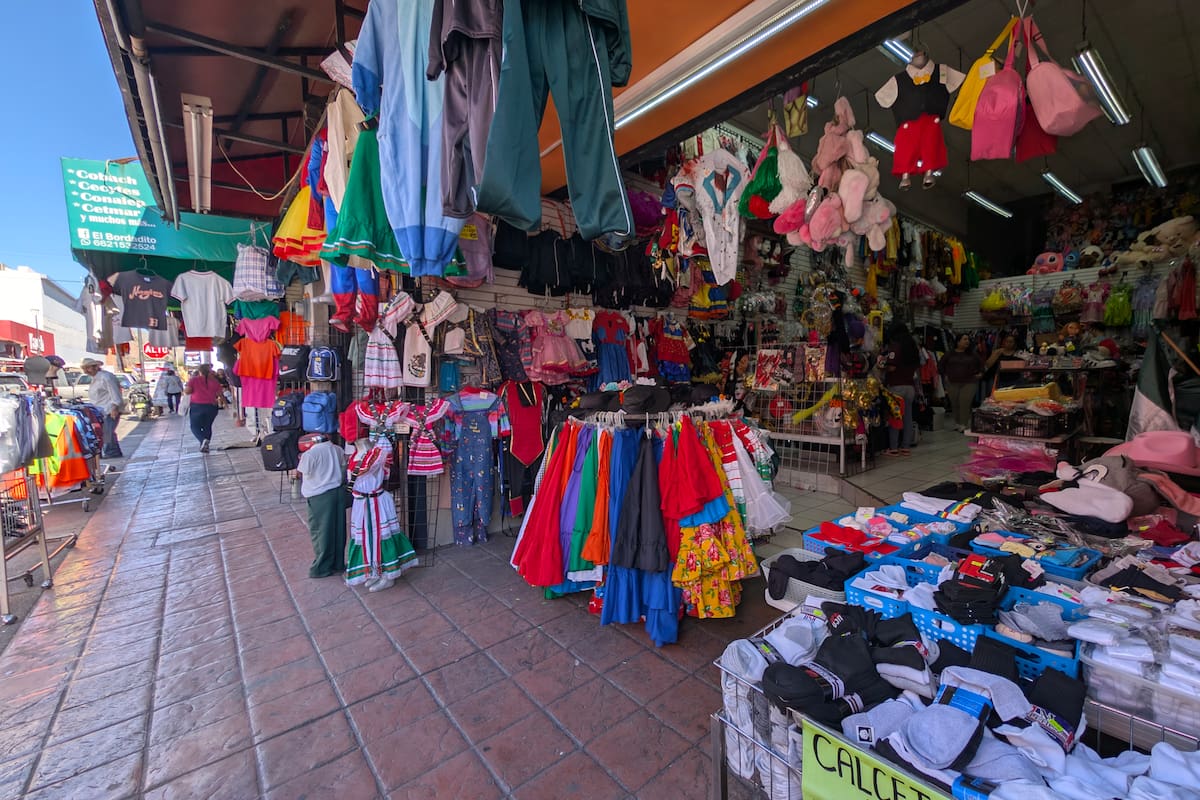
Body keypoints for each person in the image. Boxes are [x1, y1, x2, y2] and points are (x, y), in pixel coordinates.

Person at [297, 434, 348, 578]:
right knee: (338, 530)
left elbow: (302, 473)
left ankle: (321, 567)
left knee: (321, 532)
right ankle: (338, 563)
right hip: (337, 492)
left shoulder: (310, 454)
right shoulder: (338, 449)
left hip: (319, 495)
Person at [882, 323, 920, 456]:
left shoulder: (895, 348)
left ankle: (893, 448)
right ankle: (906, 446)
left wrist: (882, 367)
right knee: (908, 418)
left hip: (896, 386)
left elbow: (892, 367)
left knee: (895, 417)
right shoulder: (913, 348)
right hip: (910, 387)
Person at [939, 334, 984, 433]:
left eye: (968, 339)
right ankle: (957, 422)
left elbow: (981, 365)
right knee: (955, 403)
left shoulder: (973, 354)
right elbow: (941, 365)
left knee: (964, 402)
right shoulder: (949, 354)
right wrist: (945, 375)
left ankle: (964, 424)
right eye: (964, 339)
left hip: (969, 382)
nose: (967, 341)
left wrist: (980, 373)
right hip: (952, 382)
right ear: (958, 341)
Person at [81, 358, 124, 458]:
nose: (86, 371)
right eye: (84, 368)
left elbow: (115, 392)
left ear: (95, 367)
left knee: (108, 432)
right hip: (100, 410)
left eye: (88, 368)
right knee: (104, 432)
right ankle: (113, 451)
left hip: (109, 408)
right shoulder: (95, 378)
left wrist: (115, 407)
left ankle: (112, 452)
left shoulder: (106, 377)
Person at [183, 363, 223, 453]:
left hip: (197, 406)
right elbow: (220, 394)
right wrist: (225, 404)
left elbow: (187, 391)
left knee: (194, 426)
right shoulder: (214, 381)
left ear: (199, 371)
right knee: (207, 426)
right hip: (212, 407)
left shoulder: (194, 380)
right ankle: (205, 445)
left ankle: (202, 440)